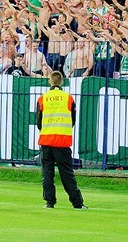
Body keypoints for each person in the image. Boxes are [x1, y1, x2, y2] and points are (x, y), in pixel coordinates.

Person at [36, 71, 86, 210]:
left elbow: (38, 122)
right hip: (62, 141)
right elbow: (73, 119)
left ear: (49, 81)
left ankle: (49, 202)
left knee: (47, 173)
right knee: (67, 173)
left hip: (46, 139)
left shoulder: (42, 98)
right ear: (62, 81)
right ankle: (77, 203)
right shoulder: (68, 98)